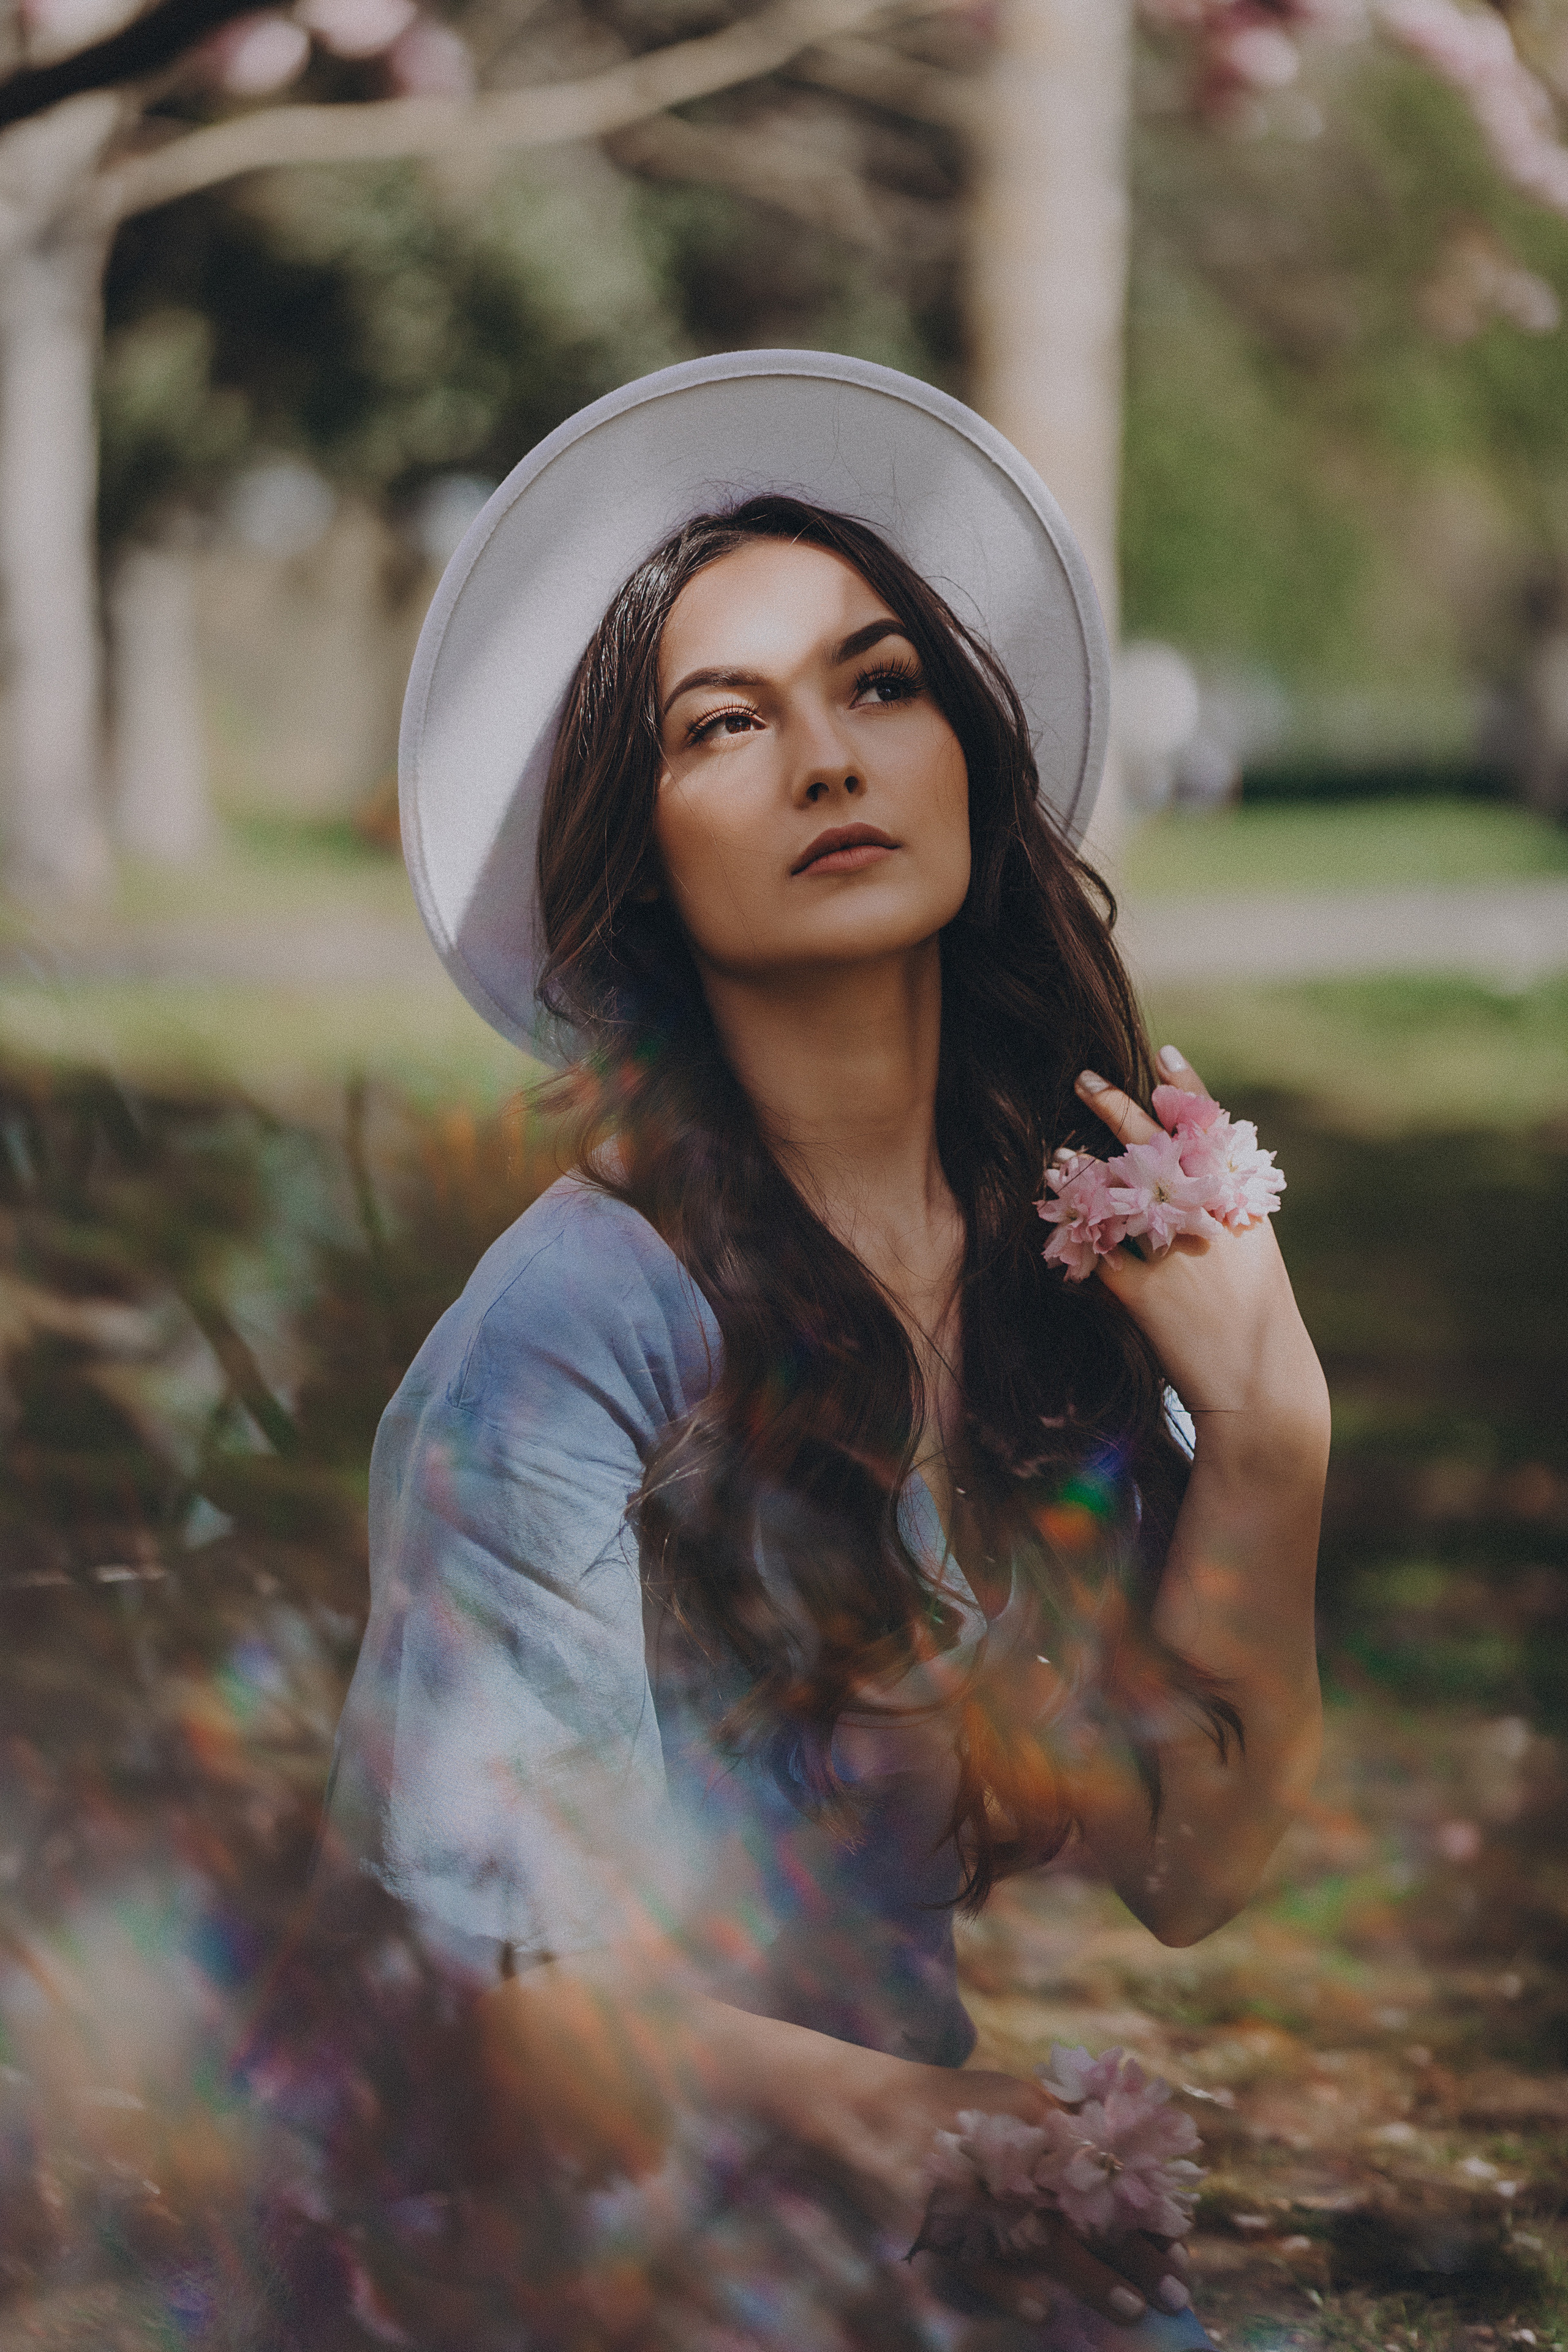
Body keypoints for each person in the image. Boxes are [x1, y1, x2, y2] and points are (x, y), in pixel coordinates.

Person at [317, 353, 1330, 2346]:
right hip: (562, 2238)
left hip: (898, 2210)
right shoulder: (577, 1327)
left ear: (969, 748)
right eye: (728, 725)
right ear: (637, 850)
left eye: (881, 684)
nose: (832, 758)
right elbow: (513, 2002)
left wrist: (1275, 1429)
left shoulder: (1054, 1269)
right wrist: (958, 2135)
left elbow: (1194, 1865)